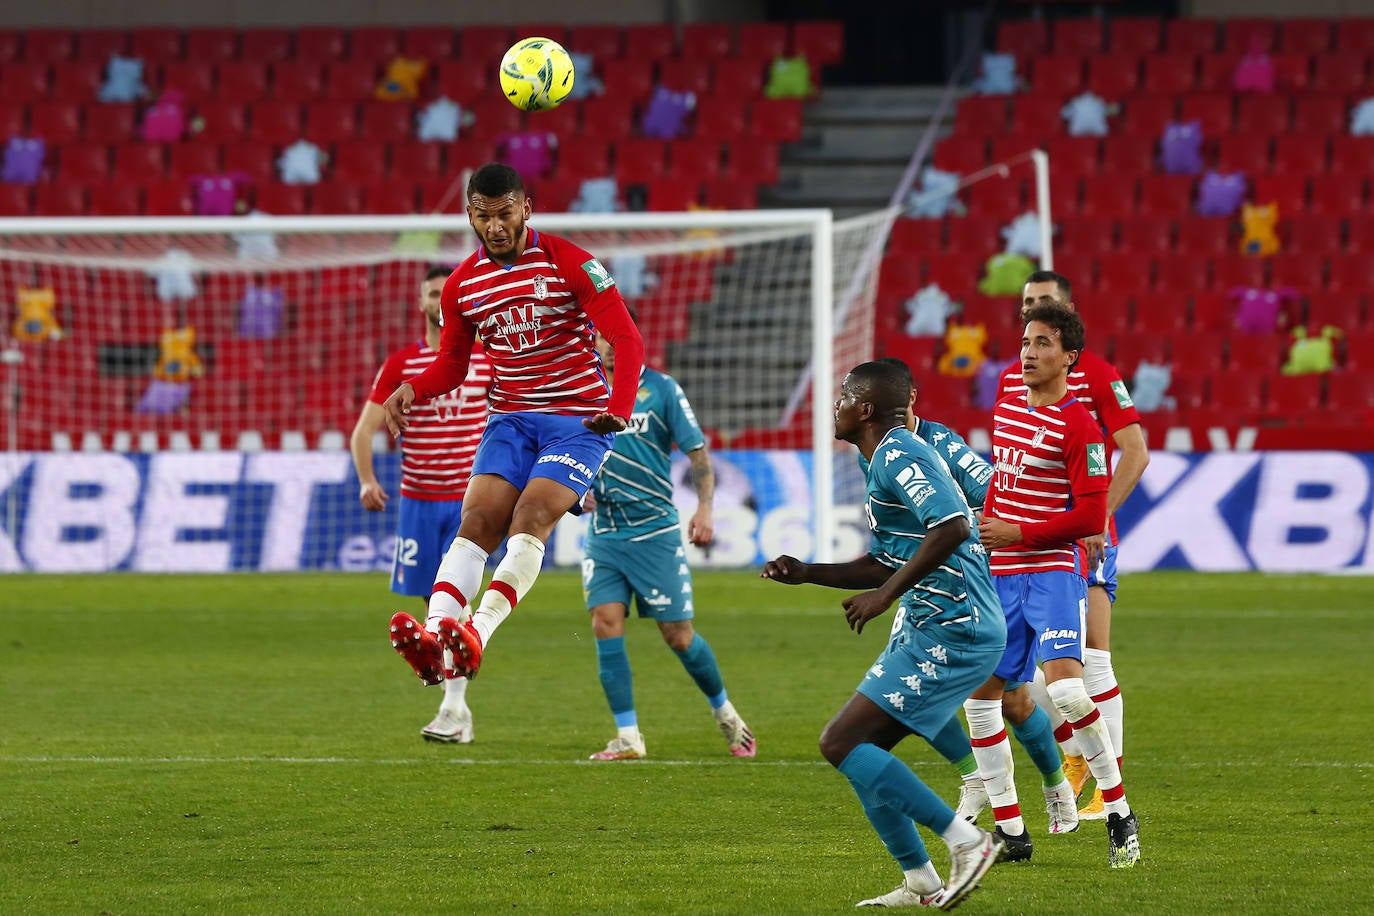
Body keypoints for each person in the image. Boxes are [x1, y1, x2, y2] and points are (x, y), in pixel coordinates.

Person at [382, 162, 645, 696]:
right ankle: (434, 643)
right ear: (470, 216)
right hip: (511, 421)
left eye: (505, 213)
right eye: (484, 216)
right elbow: (453, 366)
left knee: (530, 517)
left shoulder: (573, 263)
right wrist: (415, 388)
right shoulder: (461, 286)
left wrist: (619, 404)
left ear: (527, 208)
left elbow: (627, 339)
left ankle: (475, 633)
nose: (496, 226)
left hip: (579, 422)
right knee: (476, 521)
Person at [763, 360, 1005, 909]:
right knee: (860, 751)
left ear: (865, 409)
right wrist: (809, 574)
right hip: (936, 623)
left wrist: (886, 596)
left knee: (841, 742)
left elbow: (953, 527)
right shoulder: (882, 459)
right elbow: (886, 560)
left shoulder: (900, 452)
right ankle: (921, 880)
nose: (836, 405)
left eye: (844, 396)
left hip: (957, 625)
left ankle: (968, 843)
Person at [879, 358, 1079, 841]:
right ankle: (982, 781)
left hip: (978, 577)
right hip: (927, 585)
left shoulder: (938, 442)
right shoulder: (878, 452)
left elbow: (994, 487)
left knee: (1007, 698)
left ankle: (1053, 786)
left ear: (910, 401)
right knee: (914, 689)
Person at [972, 302, 1140, 868]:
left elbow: (1092, 518)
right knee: (980, 701)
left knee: (1068, 690)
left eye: (1042, 343)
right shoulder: (1007, 407)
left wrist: (1019, 531)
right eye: (1025, 341)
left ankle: (1118, 812)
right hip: (1001, 574)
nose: (1028, 352)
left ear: (1070, 358)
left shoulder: (1083, 429)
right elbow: (1001, 481)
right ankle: (1013, 830)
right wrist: (986, 534)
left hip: (1049, 571)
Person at [581, 327, 754, 761]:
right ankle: (628, 737)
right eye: (599, 336)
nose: (604, 344)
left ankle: (727, 715)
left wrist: (705, 509)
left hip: (655, 531)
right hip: (604, 530)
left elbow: (697, 454)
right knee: (605, 621)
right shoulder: (582, 389)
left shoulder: (660, 389)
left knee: (678, 636)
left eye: (611, 336)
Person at [352, 265, 494, 743]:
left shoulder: (484, 358)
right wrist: (367, 480)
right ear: (421, 303)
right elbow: (363, 432)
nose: (438, 299)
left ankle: (454, 710)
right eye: (431, 292)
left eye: (444, 291)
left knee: (455, 603)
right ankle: (457, 708)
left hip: (467, 500)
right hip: (416, 500)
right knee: (429, 605)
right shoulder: (400, 366)